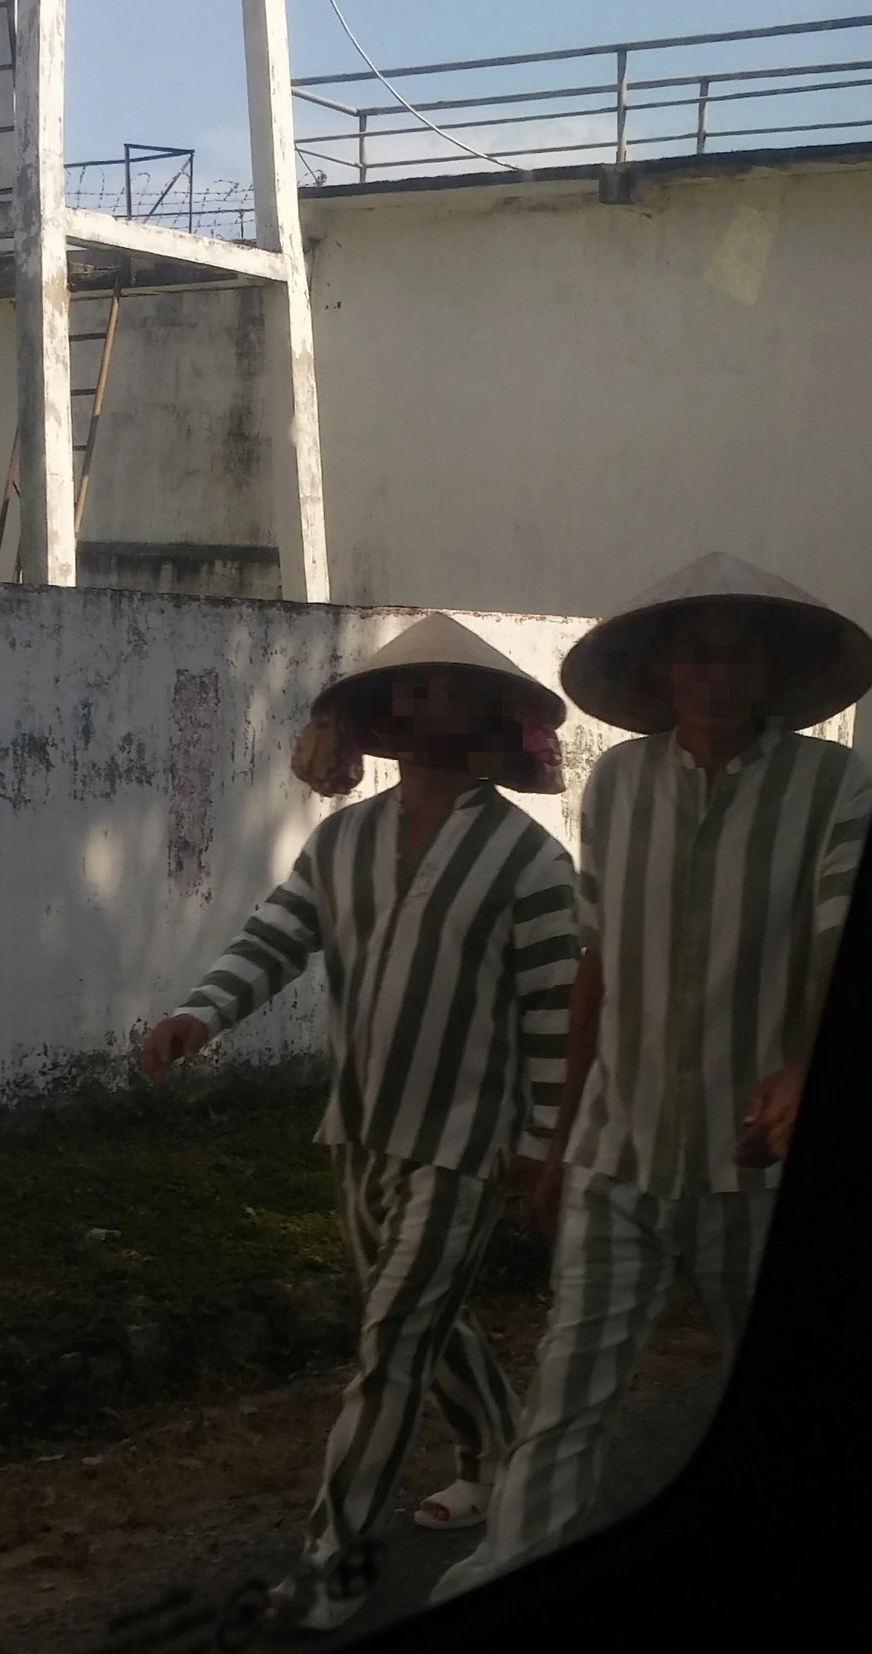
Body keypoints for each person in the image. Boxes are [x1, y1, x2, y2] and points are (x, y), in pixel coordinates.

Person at [432, 553, 872, 1607]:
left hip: (754, 1164)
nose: (716, 674)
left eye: (739, 653)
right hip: (617, 1154)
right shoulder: (617, 783)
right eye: (696, 654)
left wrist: (804, 1067)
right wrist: (558, 1138)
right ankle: (504, 1576)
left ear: (774, 673)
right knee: (567, 1391)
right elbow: (597, 964)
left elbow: (839, 943)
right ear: (660, 672)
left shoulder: (833, 786)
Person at [141, 613, 578, 1634]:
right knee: (418, 1319)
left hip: (465, 1145)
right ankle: (498, 1456)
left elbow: (555, 1013)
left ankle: (332, 1561)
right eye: (410, 691)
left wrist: (540, 1144)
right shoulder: (341, 841)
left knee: (390, 1343)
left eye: (451, 691)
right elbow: (276, 936)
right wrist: (200, 1013)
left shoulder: (529, 859)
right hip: (359, 1131)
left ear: (492, 715)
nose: (428, 708)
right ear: (379, 714)